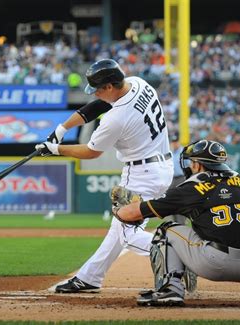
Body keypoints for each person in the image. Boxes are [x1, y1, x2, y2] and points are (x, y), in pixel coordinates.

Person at [36, 59, 174, 293]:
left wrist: (55, 150)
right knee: (117, 230)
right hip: (163, 166)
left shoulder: (116, 119)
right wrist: (62, 130)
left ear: (110, 86)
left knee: (126, 234)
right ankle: (90, 278)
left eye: (99, 89)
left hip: (140, 174)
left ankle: (178, 254)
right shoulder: (138, 84)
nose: (96, 94)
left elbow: (91, 152)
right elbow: (98, 106)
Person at [113, 140, 240, 306]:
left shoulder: (190, 188)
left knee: (166, 231)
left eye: (191, 162)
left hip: (212, 263)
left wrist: (118, 210)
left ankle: (169, 289)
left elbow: (134, 212)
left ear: (197, 165)